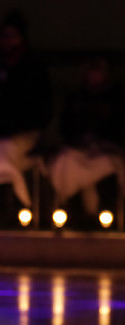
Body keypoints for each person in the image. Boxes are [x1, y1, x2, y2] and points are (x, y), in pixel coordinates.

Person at [0, 10, 52, 224]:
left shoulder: (34, 68)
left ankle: (11, 207)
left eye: (13, 36)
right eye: (5, 35)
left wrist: (16, 125)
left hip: (23, 132)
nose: (8, 41)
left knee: (3, 150)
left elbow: (40, 109)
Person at [47, 56, 125, 222]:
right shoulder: (76, 97)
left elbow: (120, 126)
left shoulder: (117, 98)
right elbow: (66, 126)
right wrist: (80, 138)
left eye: (98, 71)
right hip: (80, 147)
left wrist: (105, 140)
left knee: (108, 165)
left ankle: (106, 212)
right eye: (91, 71)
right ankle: (74, 210)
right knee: (65, 161)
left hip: (107, 150)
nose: (94, 75)